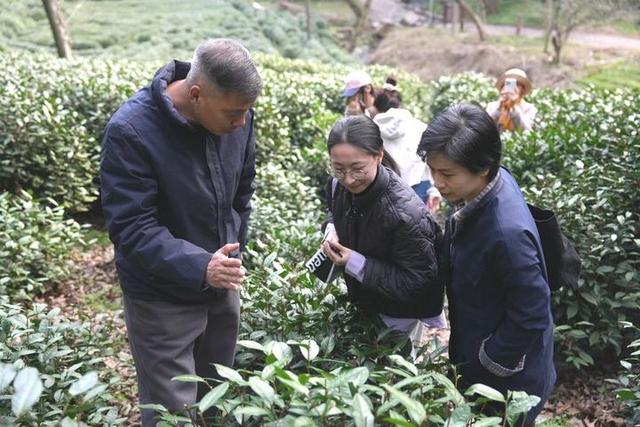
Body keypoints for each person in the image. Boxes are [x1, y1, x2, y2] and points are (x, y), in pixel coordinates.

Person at [100, 39, 262, 425]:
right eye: (233, 113)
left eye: (246, 112)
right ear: (195, 94)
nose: (241, 123)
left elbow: (243, 191)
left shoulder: (237, 116)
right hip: (161, 297)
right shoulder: (131, 131)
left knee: (215, 395)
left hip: (221, 283)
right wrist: (199, 265)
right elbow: (132, 228)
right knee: (172, 409)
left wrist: (232, 252)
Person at [417, 103, 555, 425]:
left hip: (507, 381)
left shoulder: (505, 234)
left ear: (482, 167)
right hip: (479, 339)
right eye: (433, 170)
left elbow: (532, 312)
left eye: (447, 173)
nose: (437, 181)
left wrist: (489, 359)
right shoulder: (488, 184)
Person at [321, 115, 445, 356]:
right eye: (338, 169)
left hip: (399, 315)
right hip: (366, 298)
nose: (348, 179)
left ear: (378, 155)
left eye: (358, 169)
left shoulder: (405, 213)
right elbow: (333, 210)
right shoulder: (338, 186)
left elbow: (418, 283)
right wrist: (331, 229)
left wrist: (354, 263)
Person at [372, 77, 442, 215]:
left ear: (377, 107)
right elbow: (430, 159)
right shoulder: (420, 126)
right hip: (419, 184)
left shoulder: (370, 129)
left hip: (386, 186)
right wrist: (435, 190)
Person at [486, 68, 537, 132]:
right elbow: (486, 126)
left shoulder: (529, 108)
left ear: (523, 89)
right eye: (508, 84)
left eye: (517, 84)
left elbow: (527, 130)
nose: (513, 87)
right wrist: (500, 107)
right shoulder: (492, 106)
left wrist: (514, 108)